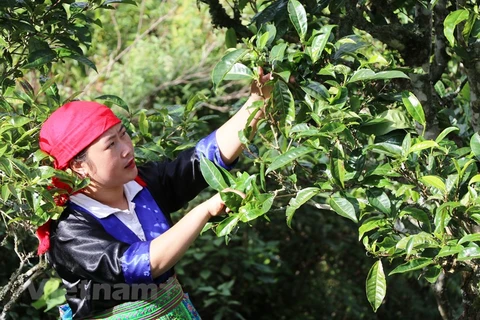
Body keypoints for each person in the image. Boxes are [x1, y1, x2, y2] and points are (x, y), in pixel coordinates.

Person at [36, 71, 272, 319]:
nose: (127, 149)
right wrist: (203, 211)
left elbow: (202, 161)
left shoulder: (142, 184)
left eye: (123, 134)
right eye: (111, 145)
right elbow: (137, 266)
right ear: (78, 165)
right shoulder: (69, 228)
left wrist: (256, 103)